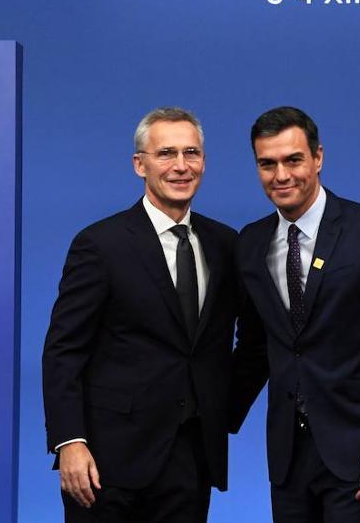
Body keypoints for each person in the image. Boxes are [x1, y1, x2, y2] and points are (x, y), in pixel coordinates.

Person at [230, 106, 360, 523]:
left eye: (293, 160)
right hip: (288, 456)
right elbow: (255, 348)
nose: (281, 175)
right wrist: (205, 420)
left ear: (318, 157)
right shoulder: (251, 243)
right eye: (267, 164)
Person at [41, 107, 239, 522]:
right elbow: (63, 351)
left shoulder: (225, 244)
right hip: (107, 462)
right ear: (139, 165)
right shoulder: (101, 244)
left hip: (191, 460)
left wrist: (222, 409)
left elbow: (243, 341)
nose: (181, 166)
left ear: (204, 162)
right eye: (166, 153)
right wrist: (69, 441)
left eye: (191, 153)